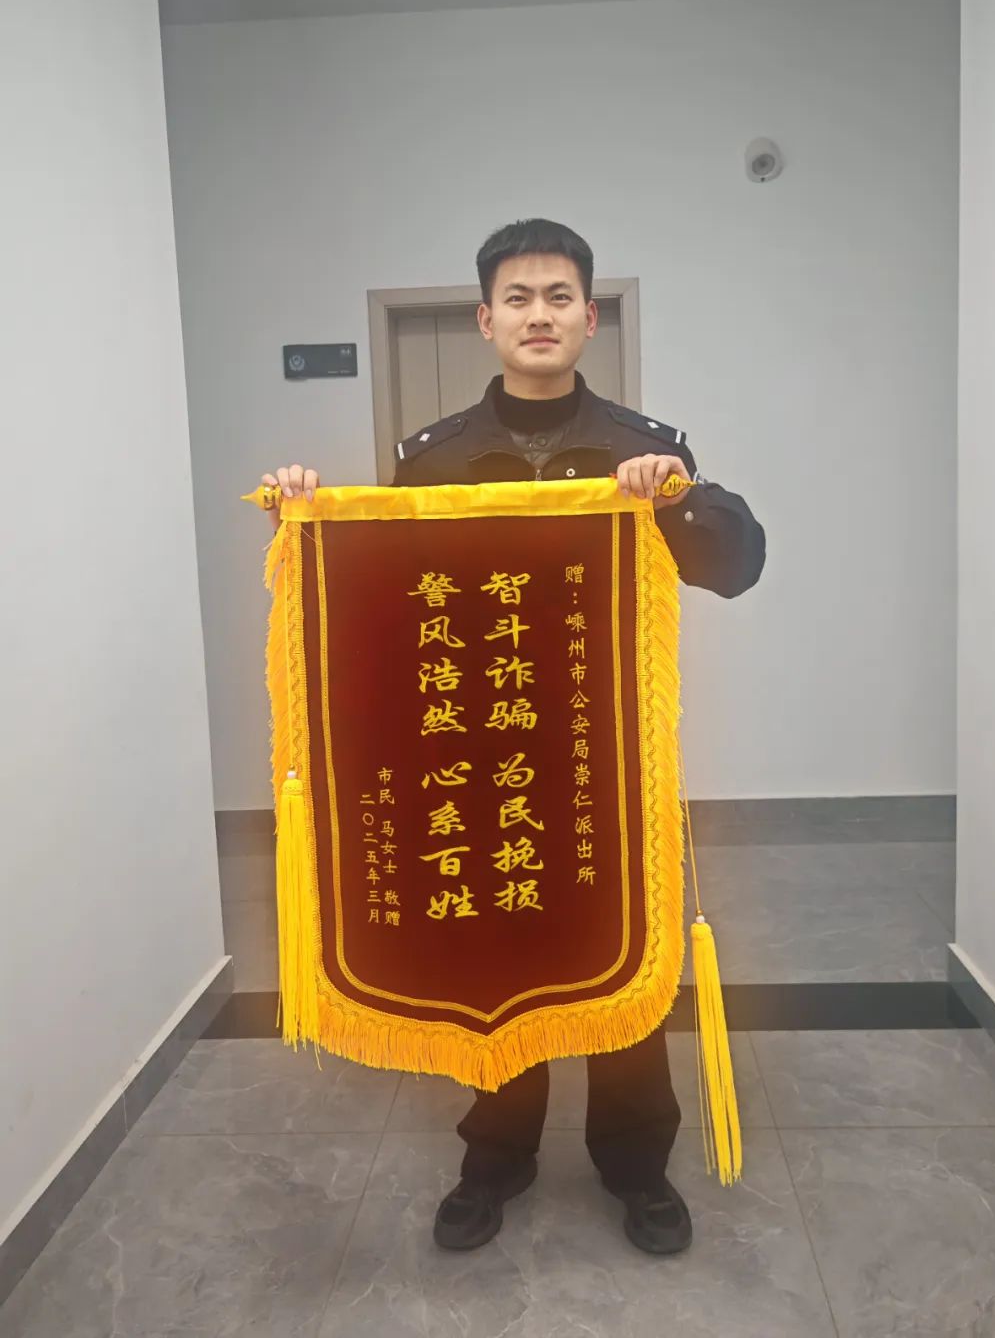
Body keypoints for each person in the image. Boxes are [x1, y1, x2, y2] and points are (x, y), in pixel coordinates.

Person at [261, 217, 766, 1256]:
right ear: (487, 320)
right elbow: (381, 604)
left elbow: (736, 563)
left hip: (605, 759)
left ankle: (636, 1164)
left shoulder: (644, 447)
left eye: (560, 296)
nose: (541, 314)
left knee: (624, 959)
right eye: (519, 298)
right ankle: (496, 1155)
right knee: (491, 957)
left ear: (589, 319)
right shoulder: (433, 457)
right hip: (482, 758)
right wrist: (305, 525)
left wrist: (676, 504)